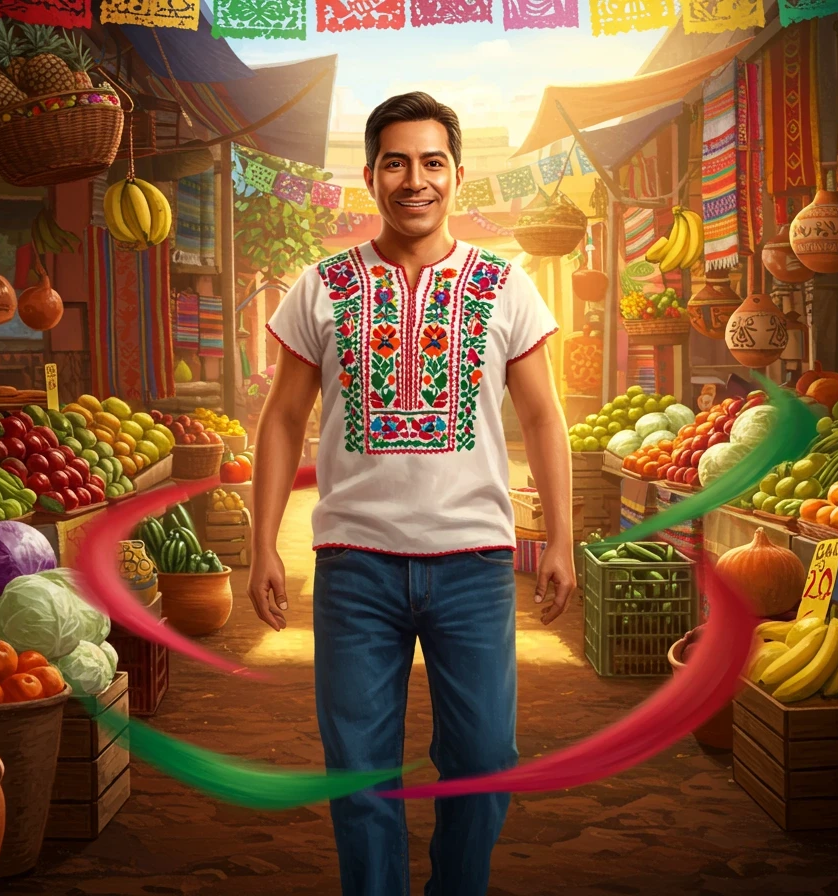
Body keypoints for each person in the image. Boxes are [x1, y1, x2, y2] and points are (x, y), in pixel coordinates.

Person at [247, 91, 575, 896]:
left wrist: (562, 538)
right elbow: (282, 420)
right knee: (359, 775)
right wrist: (261, 547)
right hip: (355, 567)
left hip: (475, 565)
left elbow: (543, 416)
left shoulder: (505, 286)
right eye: (396, 162)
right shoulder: (322, 286)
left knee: (485, 762)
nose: (415, 179)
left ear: (458, 176)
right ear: (370, 176)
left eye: (432, 162)